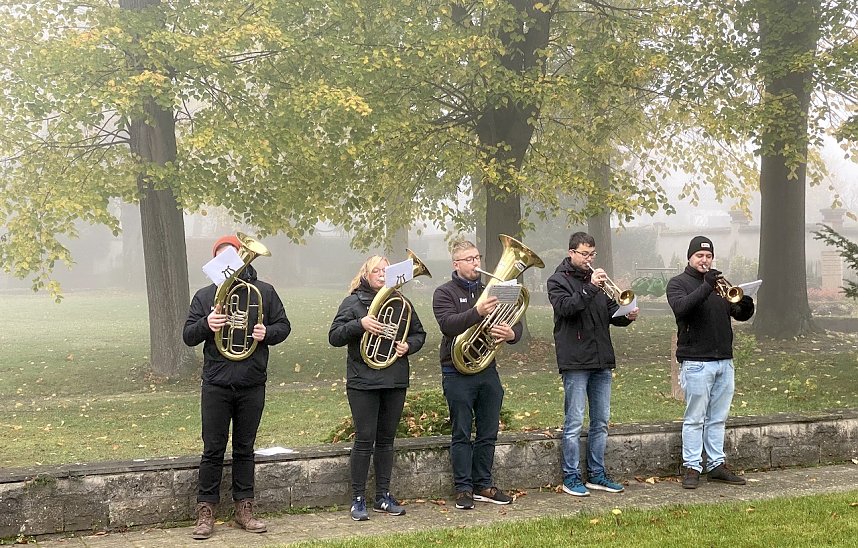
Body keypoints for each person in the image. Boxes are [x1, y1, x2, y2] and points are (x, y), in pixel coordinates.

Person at [183, 234, 292, 540]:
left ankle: (244, 508)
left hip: (251, 382)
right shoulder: (206, 296)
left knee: (245, 448)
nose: (229, 261)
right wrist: (208, 324)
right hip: (216, 383)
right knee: (213, 449)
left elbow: (284, 326)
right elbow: (188, 335)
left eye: (233, 254)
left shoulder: (264, 292)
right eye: (221, 256)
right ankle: (206, 512)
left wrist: (266, 332)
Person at [329, 255, 426, 521]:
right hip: (363, 381)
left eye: (386, 270)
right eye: (377, 270)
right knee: (364, 440)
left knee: (386, 441)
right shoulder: (352, 302)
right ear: (366, 274)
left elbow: (419, 333)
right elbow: (334, 336)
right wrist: (359, 324)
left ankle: (383, 495)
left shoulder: (402, 303)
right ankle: (358, 498)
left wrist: (409, 346)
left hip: (394, 378)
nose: (382, 274)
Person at [546, 232, 639, 497]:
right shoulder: (557, 281)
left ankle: (597, 474)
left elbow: (611, 313)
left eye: (592, 254)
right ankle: (571, 476)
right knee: (574, 421)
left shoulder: (596, 284)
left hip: (601, 359)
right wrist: (591, 288)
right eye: (584, 254)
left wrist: (627, 315)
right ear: (571, 252)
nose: (589, 259)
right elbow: (567, 308)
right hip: (575, 361)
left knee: (601, 421)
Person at [432, 240, 520, 510]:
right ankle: (463, 488)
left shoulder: (491, 290)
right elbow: (448, 325)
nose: (476, 263)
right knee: (461, 432)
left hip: (486, 369)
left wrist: (511, 334)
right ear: (456, 264)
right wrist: (477, 312)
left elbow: (513, 321)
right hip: (456, 371)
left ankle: (483, 484)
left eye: (477, 257)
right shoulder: (443, 292)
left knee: (488, 432)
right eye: (469, 259)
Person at [666, 235, 755, 489]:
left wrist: (746, 303)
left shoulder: (721, 287)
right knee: (695, 417)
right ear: (690, 258)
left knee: (718, 417)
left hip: (724, 361)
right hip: (695, 362)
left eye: (708, 256)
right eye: (700, 256)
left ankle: (716, 465)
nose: (705, 260)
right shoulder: (678, 284)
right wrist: (706, 285)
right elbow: (682, 308)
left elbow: (739, 314)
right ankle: (692, 466)